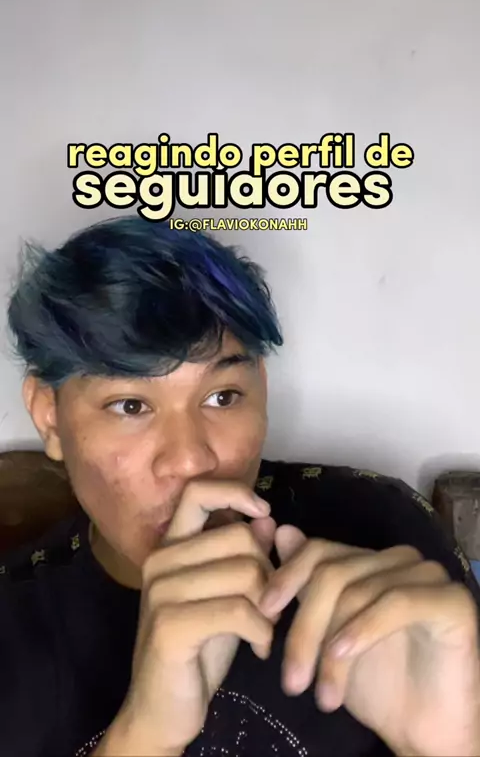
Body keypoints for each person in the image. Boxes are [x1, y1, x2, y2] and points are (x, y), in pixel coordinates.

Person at [1, 215, 480, 757]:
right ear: (49, 416)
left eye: (222, 397)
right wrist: (144, 737)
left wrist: (446, 749)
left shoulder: (381, 530)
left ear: (262, 388)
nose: (191, 460)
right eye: (130, 406)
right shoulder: (12, 629)